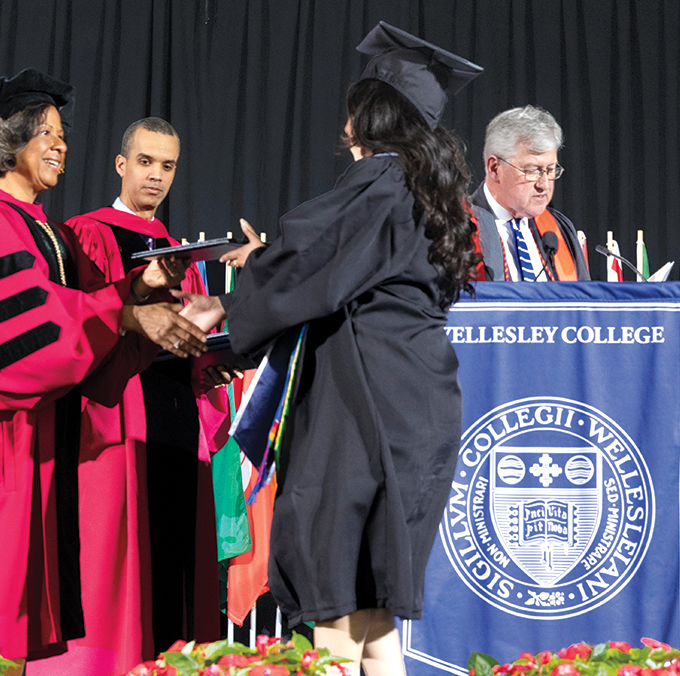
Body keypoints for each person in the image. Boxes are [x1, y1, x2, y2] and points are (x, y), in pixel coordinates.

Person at [180, 22, 482, 676]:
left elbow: (308, 257)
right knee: (372, 616)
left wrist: (225, 308)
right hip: (412, 410)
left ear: (371, 113)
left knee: (338, 606)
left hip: (365, 412)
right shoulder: (428, 194)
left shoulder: (379, 182)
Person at [0, 69, 207, 663]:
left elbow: (87, 327)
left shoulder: (41, 228)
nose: (60, 145)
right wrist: (127, 312)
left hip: (26, 444)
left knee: (16, 631)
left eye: (62, 134)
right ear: (9, 143)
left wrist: (144, 290)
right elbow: (29, 344)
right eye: (45, 134)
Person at [47, 118, 224, 673]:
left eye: (167, 166)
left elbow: (191, 326)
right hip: (115, 411)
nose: (156, 176)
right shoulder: (84, 233)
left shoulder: (178, 249)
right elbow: (82, 322)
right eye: (145, 162)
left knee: (171, 558)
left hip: (172, 410)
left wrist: (209, 363)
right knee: (112, 552)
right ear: (122, 164)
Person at [471, 105, 590, 281]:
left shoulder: (559, 230)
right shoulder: (457, 227)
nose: (544, 185)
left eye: (550, 170)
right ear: (494, 168)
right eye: (533, 171)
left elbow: (581, 303)